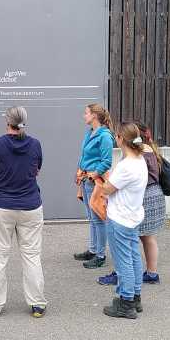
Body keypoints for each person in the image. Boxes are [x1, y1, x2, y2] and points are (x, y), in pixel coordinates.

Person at [0, 107, 47, 318]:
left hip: (2, 205)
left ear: (7, 122)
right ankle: (37, 303)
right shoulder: (35, 144)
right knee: (31, 255)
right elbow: (37, 169)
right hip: (30, 205)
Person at [98, 121, 165, 285]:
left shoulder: (135, 158)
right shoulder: (146, 151)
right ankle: (149, 275)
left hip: (143, 197)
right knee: (144, 239)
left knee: (128, 248)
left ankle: (128, 287)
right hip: (151, 194)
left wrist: (104, 181)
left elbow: (110, 187)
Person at [100, 122, 148, 319]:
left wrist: (104, 177)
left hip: (120, 218)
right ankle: (135, 296)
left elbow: (107, 189)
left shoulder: (126, 166)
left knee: (123, 261)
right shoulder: (140, 160)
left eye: (116, 136)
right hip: (133, 216)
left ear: (121, 139)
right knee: (134, 256)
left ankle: (126, 302)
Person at [73, 104, 114, 268]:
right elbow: (84, 155)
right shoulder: (90, 133)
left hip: (94, 182)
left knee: (98, 218)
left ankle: (101, 255)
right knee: (92, 218)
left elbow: (107, 161)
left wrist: (94, 174)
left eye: (86, 113)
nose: (84, 116)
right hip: (85, 179)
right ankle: (93, 250)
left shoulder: (105, 136)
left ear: (95, 116)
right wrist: (79, 171)